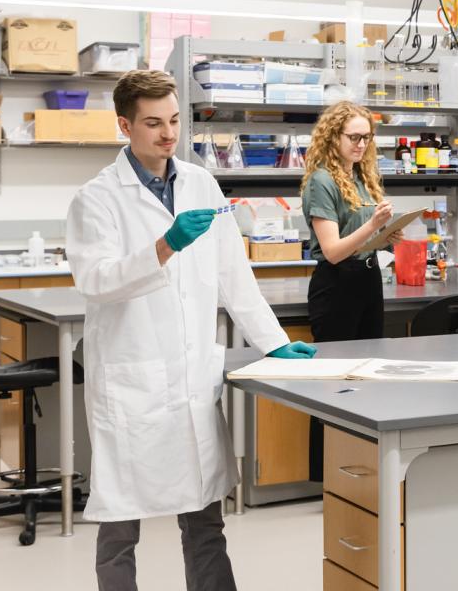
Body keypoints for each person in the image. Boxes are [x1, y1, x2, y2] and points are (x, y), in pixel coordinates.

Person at [66, 70, 317, 591]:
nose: (167, 133)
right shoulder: (97, 198)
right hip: (132, 382)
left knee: (205, 517)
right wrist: (164, 245)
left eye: (175, 120)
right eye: (153, 123)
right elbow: (95, 281)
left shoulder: (202, 183)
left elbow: (233, 277)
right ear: (125, 126)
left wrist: (273, 342)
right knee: (120, 525)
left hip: (189, 378)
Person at [300, 100, 393, 342]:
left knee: (370, 360)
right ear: (333, 136)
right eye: (354, 137)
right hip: (337, 284)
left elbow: (361, 236)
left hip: (369, 278)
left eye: (367, 137)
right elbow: (333, 252)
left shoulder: (362, 177)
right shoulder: (322, 181)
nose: (362, 144)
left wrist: (385, 236)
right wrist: (373, 225)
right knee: (337, 370)